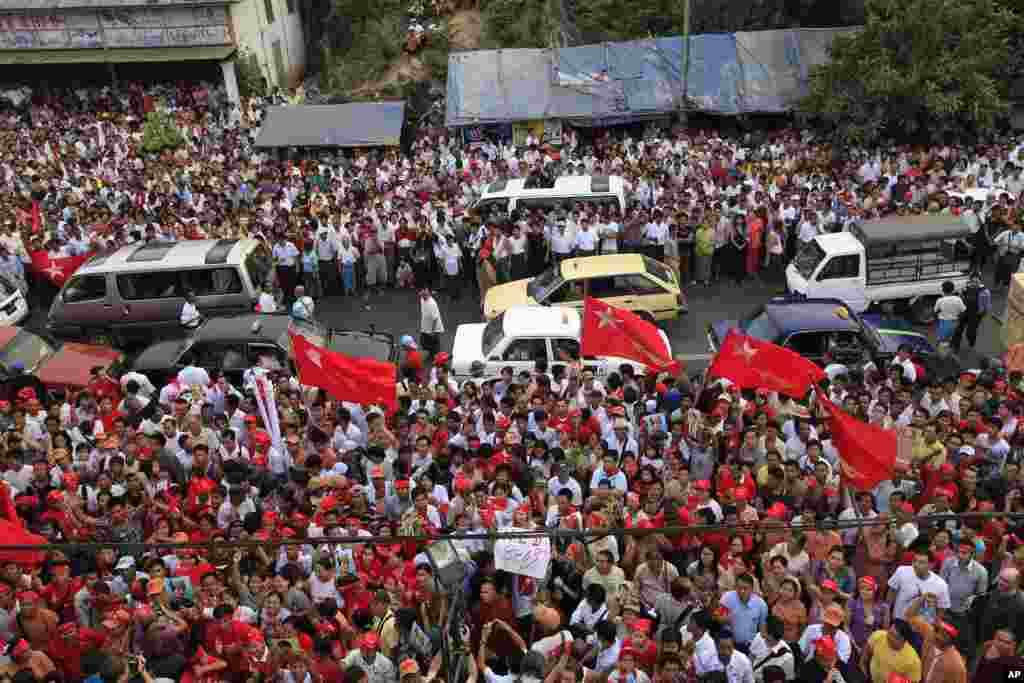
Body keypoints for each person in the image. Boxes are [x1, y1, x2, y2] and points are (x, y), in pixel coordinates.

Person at [950, 273, 990, 352]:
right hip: (964, 312)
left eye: (976, 282)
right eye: (973, 281)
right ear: (970, 281)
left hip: (976, 314)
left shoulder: (985, 291)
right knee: (958, 329)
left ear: (980, 281)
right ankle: (955, 345)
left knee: (971, 332)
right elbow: (960, 298)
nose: (974, 283)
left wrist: (983, 313)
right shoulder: (965, 288)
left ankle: (971, 342)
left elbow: (987, 305)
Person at [418, 288, 444, 363]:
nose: (422, 294)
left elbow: (435, 318)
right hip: (426, 325)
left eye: (424, 293)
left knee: (434, 343)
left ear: (428, 293)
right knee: (424, 342)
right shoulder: (422, 299)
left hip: (434, 327)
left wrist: (432, 331)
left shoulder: (432, 304)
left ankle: (437, 358)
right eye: (421, 292)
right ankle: (432, 354)